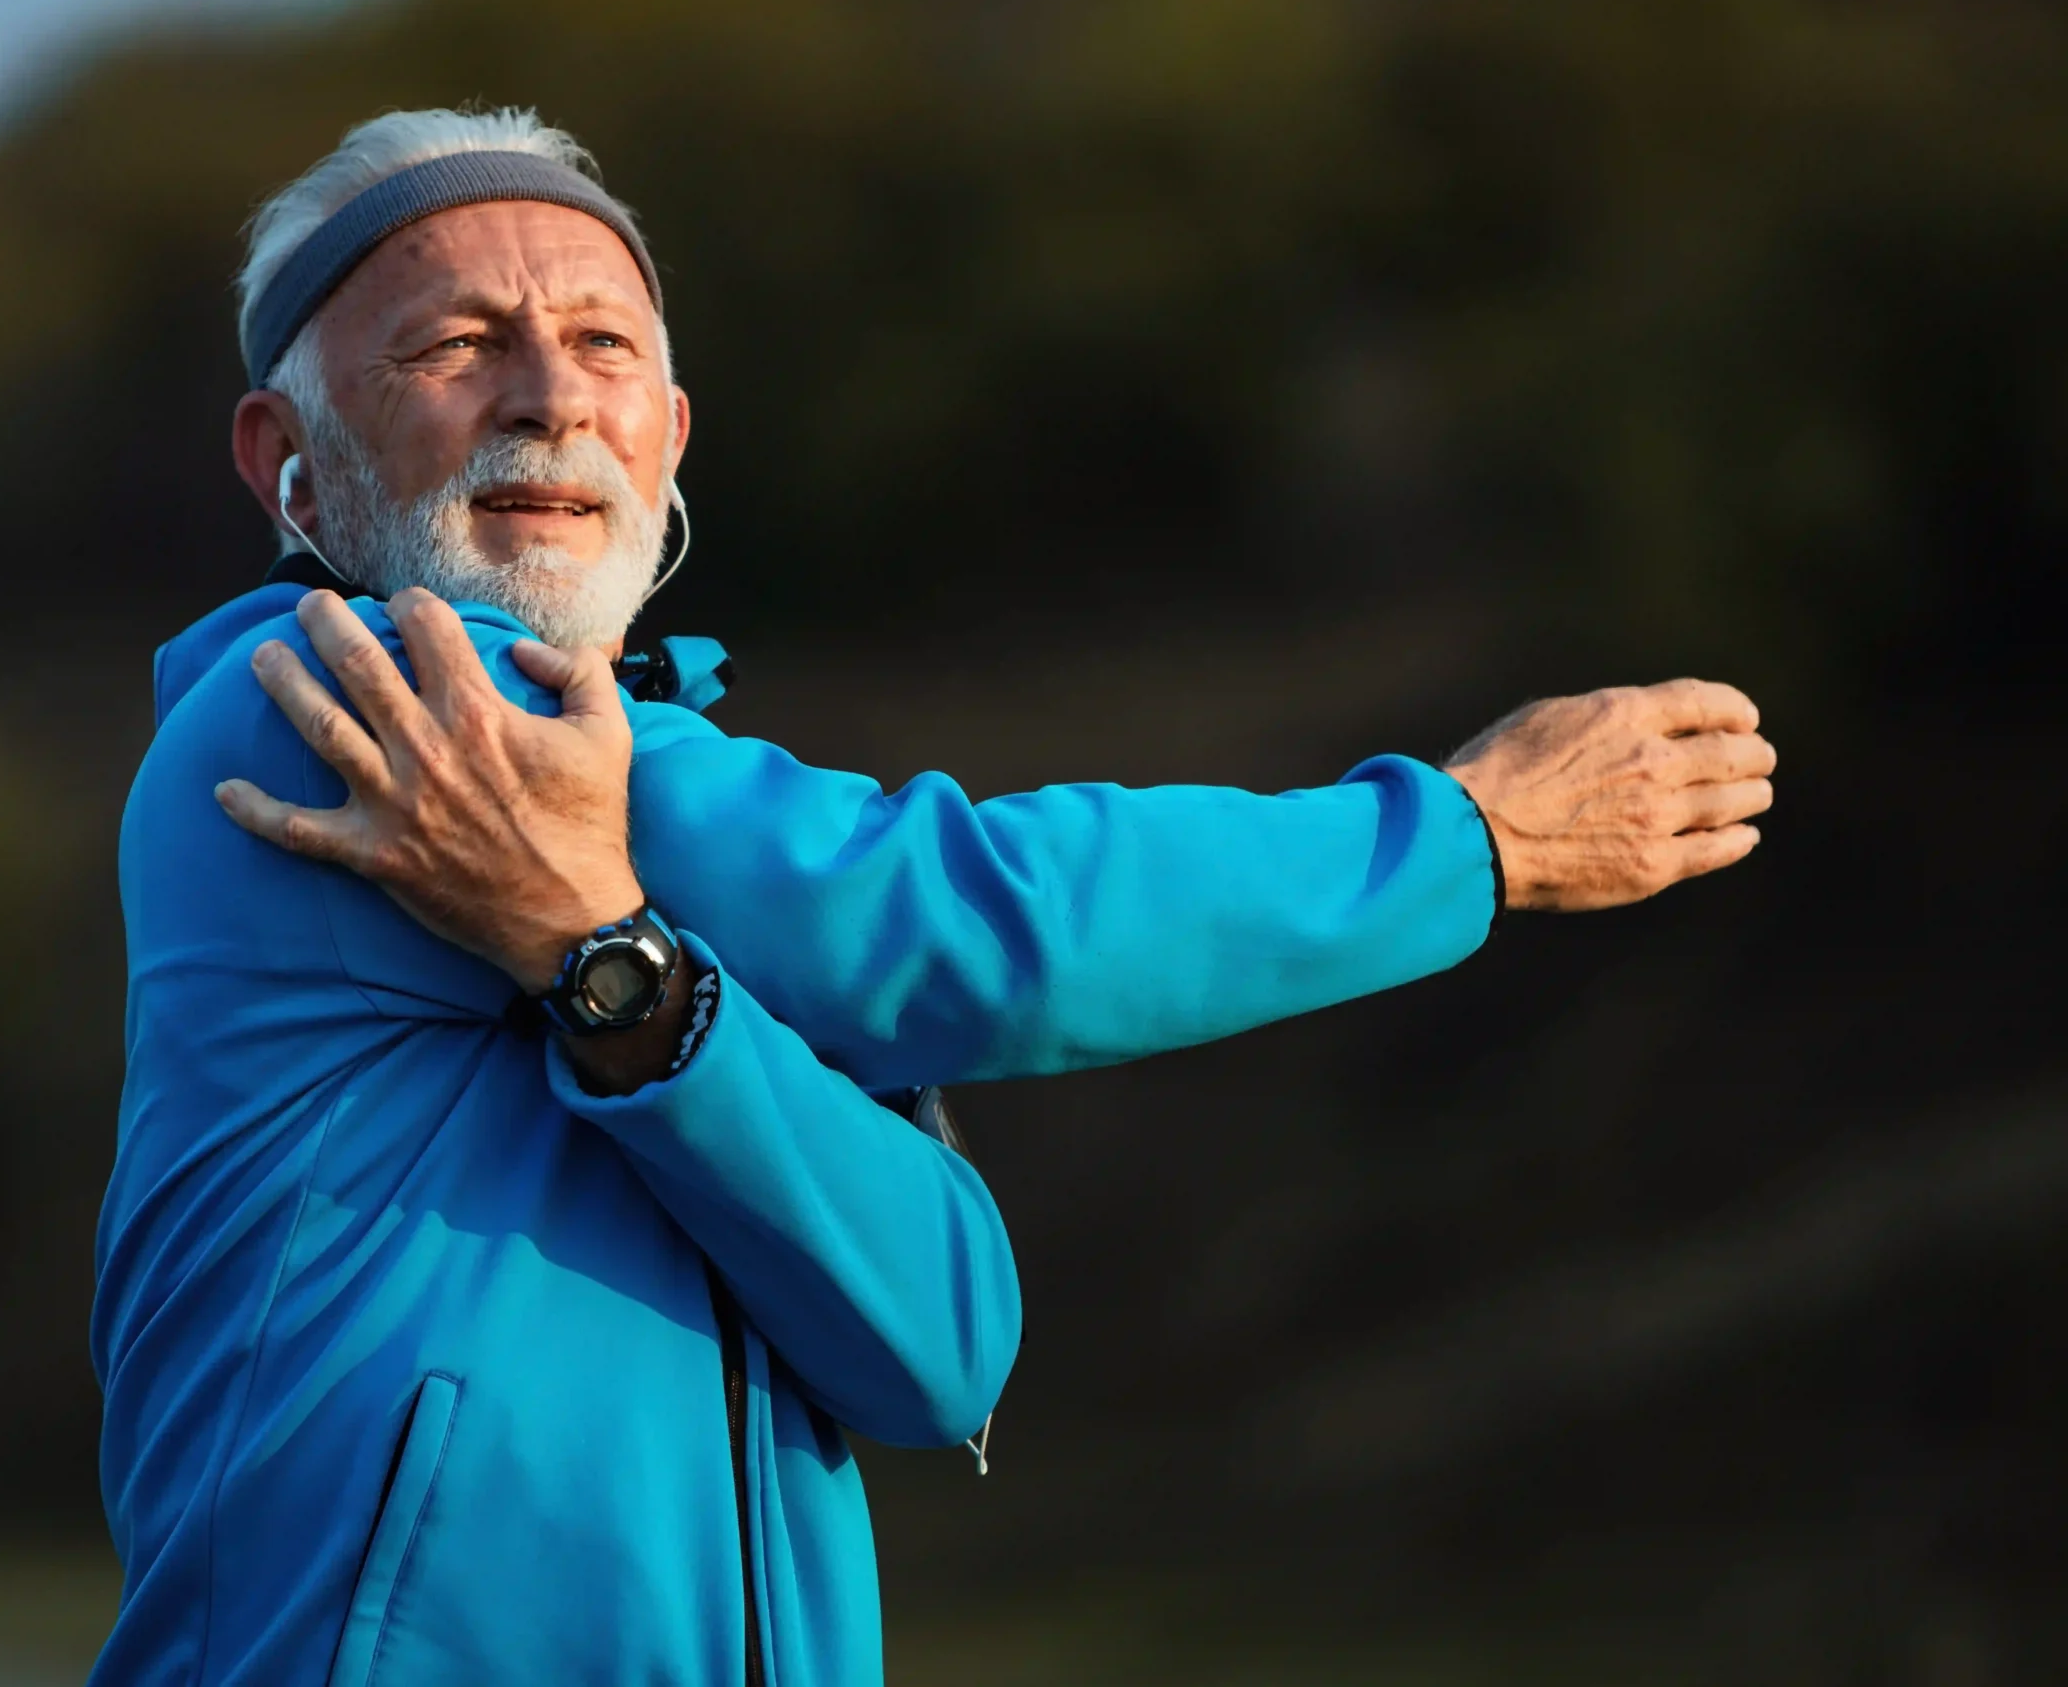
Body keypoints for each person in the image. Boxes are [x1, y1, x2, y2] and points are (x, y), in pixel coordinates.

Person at [92, 107, 1777, 1687]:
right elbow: (951, 916)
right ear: (289, 464)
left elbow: (938, 1340)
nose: (549, 392)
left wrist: (620, 974)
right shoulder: (325, 702)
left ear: (669, 436)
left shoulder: (658, 860)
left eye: (606, 342)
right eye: (457, 343)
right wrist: (1465, 839)